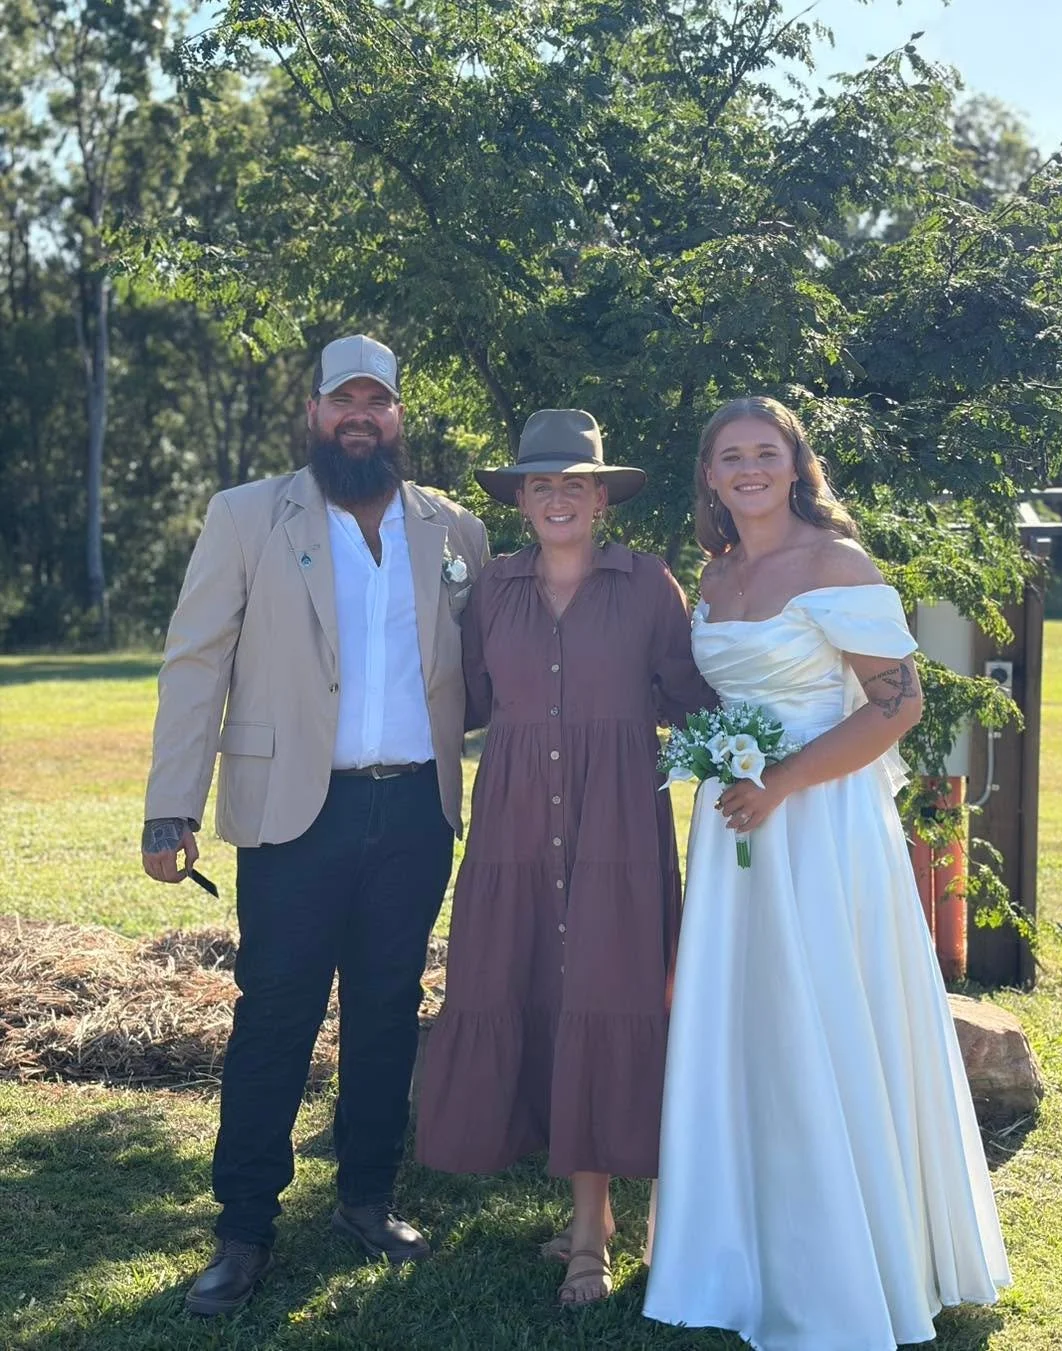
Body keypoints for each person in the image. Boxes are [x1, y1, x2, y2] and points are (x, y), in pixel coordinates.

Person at [644, 396, 1011, 1349]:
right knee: (747, 1016)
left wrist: (783, 783)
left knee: (824, 1007)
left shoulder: (838, 564)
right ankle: (735, 1246)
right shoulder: (717, 572)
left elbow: (897, 706)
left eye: (766, 452)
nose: (749, 468)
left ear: (797, 465)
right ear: (710, 476)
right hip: (735, 827)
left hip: (821, 823)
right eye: (731, 456)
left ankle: (851, 1257)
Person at [141, 334, 489, 1316]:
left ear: (400, 416)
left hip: (415, 809)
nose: (360, 417)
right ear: (315, 412)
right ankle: (244, 1228)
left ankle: (367, 1200)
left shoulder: (456, 530)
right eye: (345, 401)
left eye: (377, 401)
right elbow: (195, 660)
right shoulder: (247, 515)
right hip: (295, 811)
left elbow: (485, 666)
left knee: (387, 1011)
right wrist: (170, 804)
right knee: (275, 1017)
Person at [414, 409, 714, 1307]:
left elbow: (693, 697)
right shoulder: (493, 589)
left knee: (605, 997)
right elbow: (463, 698)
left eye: (574, 485)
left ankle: (590, 1235)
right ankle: (594, 1213)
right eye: (539, 484)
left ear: (600, 498)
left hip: (617, 831)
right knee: (532, 990)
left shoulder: (648, 584)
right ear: (519, 501)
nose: (557, 498)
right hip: (512, 827)